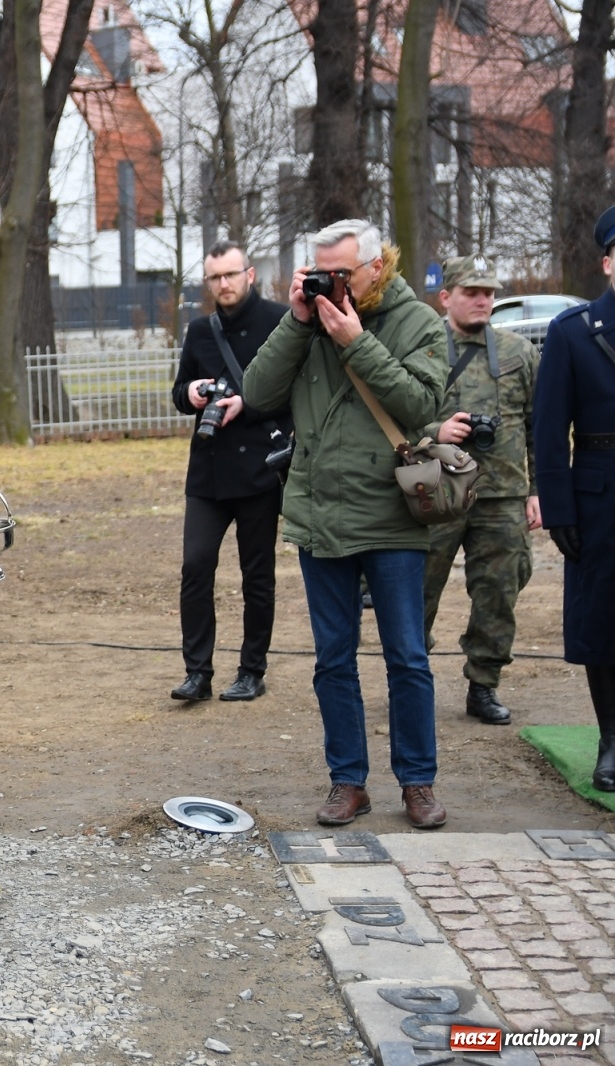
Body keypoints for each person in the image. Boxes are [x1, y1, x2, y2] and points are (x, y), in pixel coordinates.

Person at [242, 219, 448, 830]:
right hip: (321, 512)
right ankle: (347, 781)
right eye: (318, 270)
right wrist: (298, 319)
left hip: (391, 515)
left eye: (340, 273)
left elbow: (420, 407)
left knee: (407, 656)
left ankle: (417, 781)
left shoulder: (418, 322)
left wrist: (357, 341)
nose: (327, 282)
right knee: (333, 659)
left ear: (376, 267)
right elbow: (256, 392)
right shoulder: (308, 319)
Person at [168, 241, 291, 702]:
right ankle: (197, 672)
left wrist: (250, 404)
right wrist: (193, 393)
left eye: (230, 275)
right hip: (208, 472)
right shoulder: (201, 330)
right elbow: (178, 393)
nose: (223, 284)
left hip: (260, 469)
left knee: (256, 574)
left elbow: (295, 393)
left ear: (250, 275)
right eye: (215, 277)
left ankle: (251, 670)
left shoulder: (279, 321)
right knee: (195, 567)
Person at [422, 255, 540, 727]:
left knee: (500, 590)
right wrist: (436, 429)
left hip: (503, 492)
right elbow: (392, 415)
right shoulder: (422, 348)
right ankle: (409, 677)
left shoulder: (518, 352)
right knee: (415, 590)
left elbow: (538, 426)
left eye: (489, 292)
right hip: (435, 489)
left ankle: (484, 684)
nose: (483, 300)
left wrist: (537, 489)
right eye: (471, 292)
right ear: (446, 296)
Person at [534, 205, 615, 790]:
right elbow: (547, 428)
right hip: (600, 492)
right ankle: (611, 741)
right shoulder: (573, 330)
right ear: (608, 261)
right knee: (601, 619)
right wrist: (558, 507)